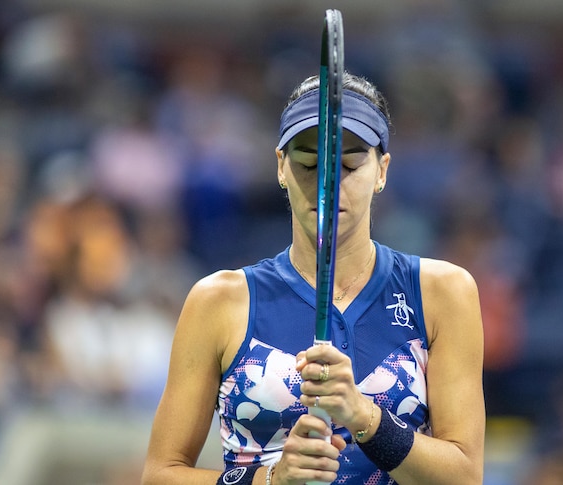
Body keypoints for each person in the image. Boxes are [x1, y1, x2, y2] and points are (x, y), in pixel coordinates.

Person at [142, 73, 485, 485]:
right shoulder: (217, 301)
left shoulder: (443, 293)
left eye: (349, 164)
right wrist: (270, 480)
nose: (327, 184)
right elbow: (160, 475)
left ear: (382, 171)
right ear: (280, 168)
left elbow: (465, 476)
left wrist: (365, 417)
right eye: (308, 164)